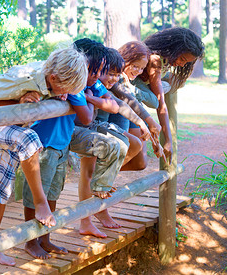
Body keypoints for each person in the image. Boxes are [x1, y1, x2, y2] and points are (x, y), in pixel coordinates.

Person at [0, 46, 88, 266]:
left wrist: (58, 92)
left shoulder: (51, 76)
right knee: (30, 140)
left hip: (9, 125)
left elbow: (56, 91)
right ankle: (40, 202)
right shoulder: (23, 79)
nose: (67, 94)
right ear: (53, 77)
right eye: (67, 89)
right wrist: (18, 103)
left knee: (2, 183)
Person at [22, 79, 94, 259]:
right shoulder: (59, 86)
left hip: (62, 144)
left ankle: (45, 238)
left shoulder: (78, 89)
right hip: (45, 144)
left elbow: (81, 118)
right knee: (35, 195)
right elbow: (86, 118)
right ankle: (30, 242)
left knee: (53, 194)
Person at [68, 38, 126, 238]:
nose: (98, 76)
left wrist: (91, 98)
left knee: (124, 145)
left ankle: (100, 197)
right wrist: (93, 101)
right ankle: (87, 219)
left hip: (88, 129)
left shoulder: (93, 85)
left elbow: (114, 106)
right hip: (74, 132)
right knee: (88, 173)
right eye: (98, 71)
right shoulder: (74, 82)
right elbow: (87, 117)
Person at [133, 27, 205, 164]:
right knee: (155, 101)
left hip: (151, 80)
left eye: (186, 62)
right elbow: (160, 105)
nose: (182, 64)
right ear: (174, 48)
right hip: (136, 83)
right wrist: (168, 140)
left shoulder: (166, 61)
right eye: (182, 58)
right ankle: (135, 92)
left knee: (176, 82)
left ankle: (155, 88)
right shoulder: (155, 60)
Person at [103, 42, 165, 170]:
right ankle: (102, 178)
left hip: (128, 117)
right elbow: (126, 99)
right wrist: (149, 122)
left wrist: (155, 141)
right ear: (124, 60)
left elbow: (153, 102)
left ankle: (105, 176)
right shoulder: (115, 77)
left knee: (139, 161)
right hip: (106, 122)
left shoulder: (130, 81)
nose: (138, 71)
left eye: (142, 68)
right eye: (135, 66)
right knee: (125, 147)